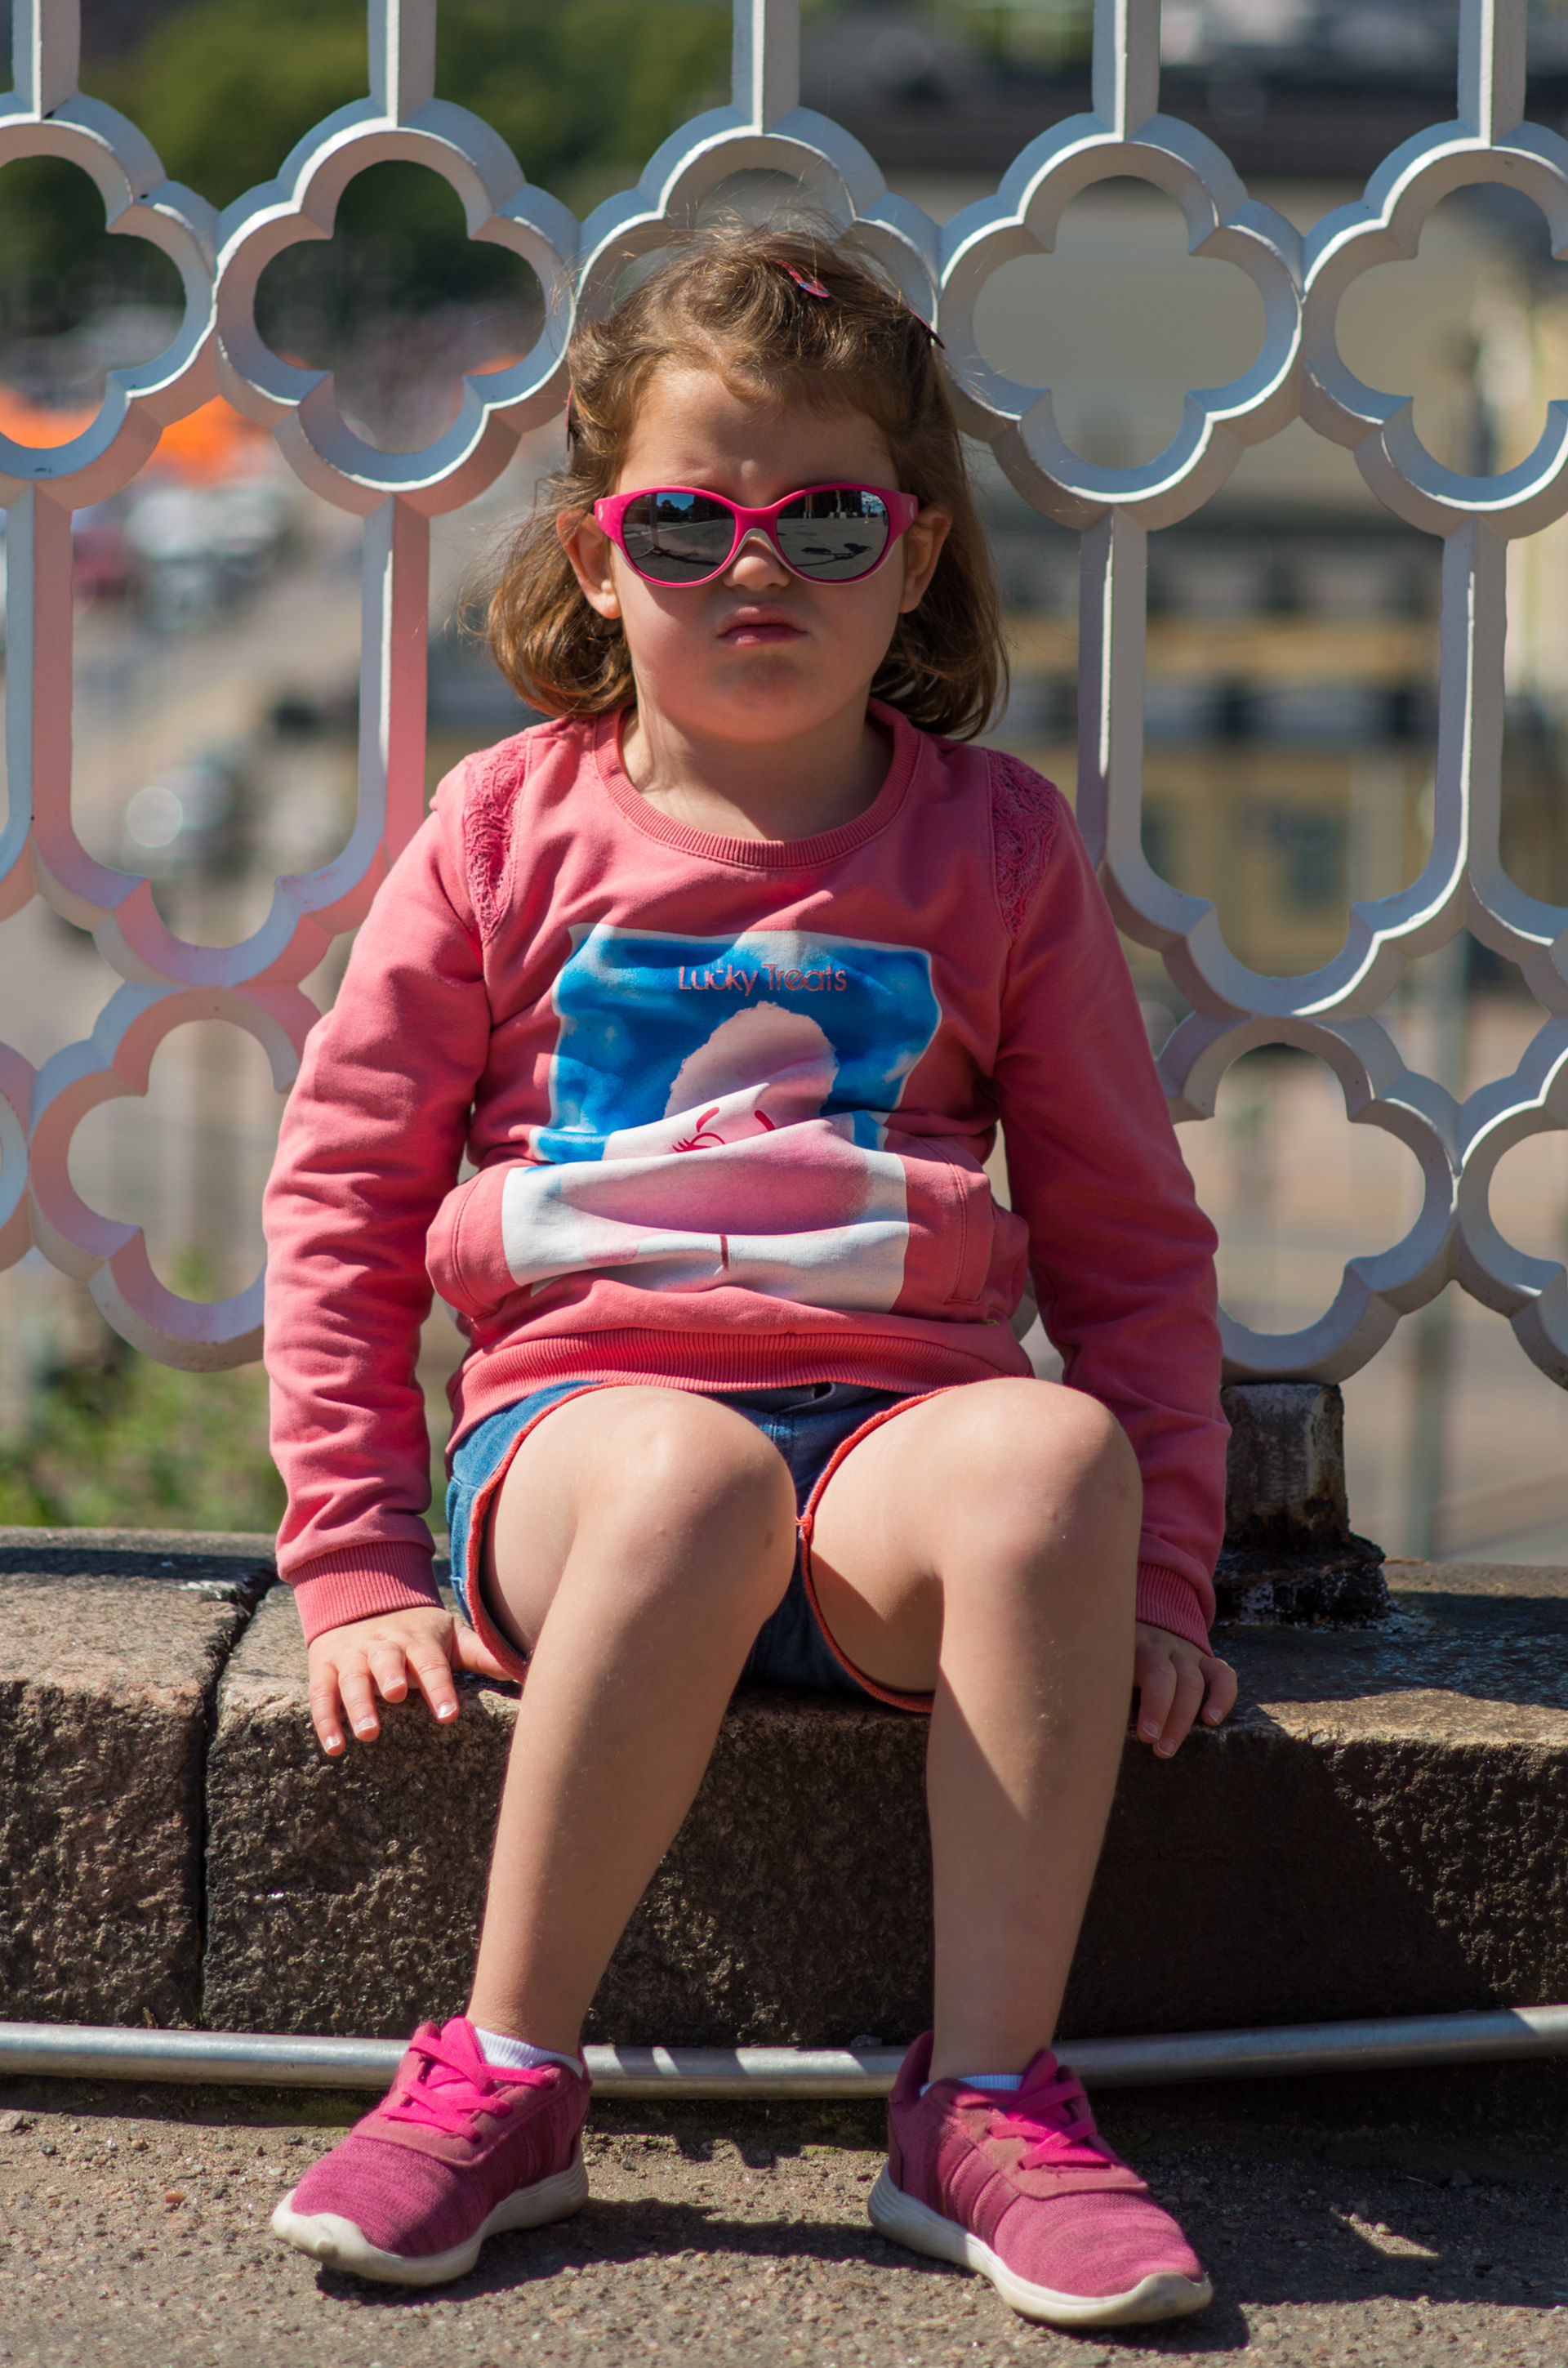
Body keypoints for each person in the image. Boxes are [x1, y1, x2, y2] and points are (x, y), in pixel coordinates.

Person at [261, 224, 1236, 2330]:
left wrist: (1159, 1571)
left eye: (830, 519)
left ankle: (988, 2103)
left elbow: (1128, 1242)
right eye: (689, 522)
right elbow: (342, 1192)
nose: (756, 565)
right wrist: (349, 1554)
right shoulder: (506, 829)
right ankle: (505, 2072)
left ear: (918, 556)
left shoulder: (995, 851)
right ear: (600, 555)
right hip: (588, 1458)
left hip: (893, 1469)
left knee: (1050, 1457)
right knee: (689, 1475)